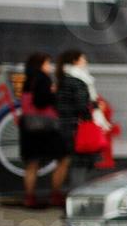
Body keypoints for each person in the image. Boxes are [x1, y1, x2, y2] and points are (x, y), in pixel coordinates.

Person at [18, 52, 69, 209]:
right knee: (63, 158)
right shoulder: (43, 79)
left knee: (32, 164)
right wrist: (54, 93)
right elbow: (41, 102)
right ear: (40, 64)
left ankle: (29, 197)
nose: (50, 66)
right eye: (47, 63)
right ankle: (55, 195)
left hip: (28, 127)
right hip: (46, 128)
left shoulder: (28, 80)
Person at [55, 50, 100, 192]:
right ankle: (77, 194)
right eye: (83, 59)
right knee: (80, 162)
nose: (85, 62)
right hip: (77, 128)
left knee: (69, 161)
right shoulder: (80, 81)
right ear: (75, 61)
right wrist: (92, 109)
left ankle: (64, 193)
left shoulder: (63, 80)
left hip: (64, 125)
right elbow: (82, 106)